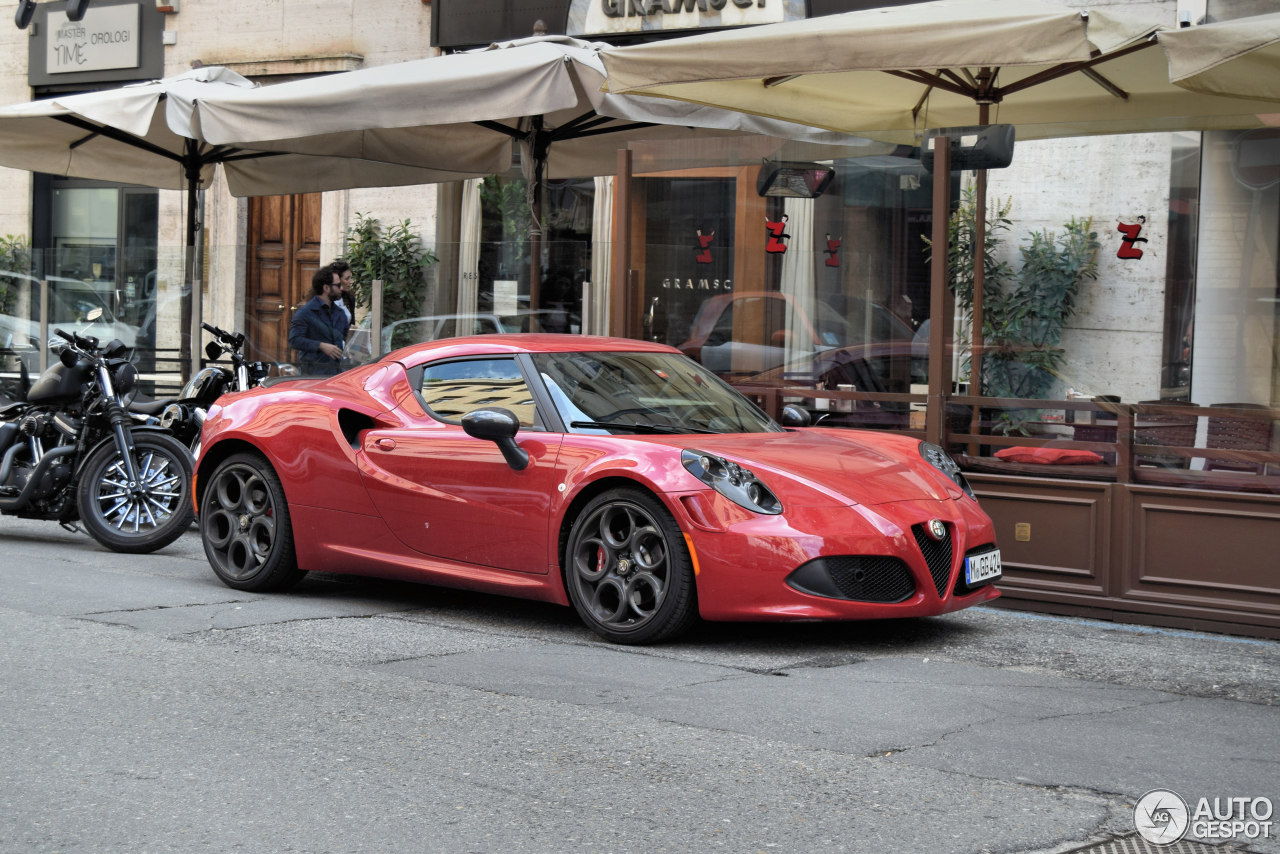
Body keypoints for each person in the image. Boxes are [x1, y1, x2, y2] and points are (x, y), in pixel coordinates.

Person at [289, 265, 349, 376]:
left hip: (336, 375)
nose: (341, 288)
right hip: (312, 376)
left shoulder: (340, 313)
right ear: (326, 288)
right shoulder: (305, 312)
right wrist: (321, 345)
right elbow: (295, 340)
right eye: (337, 285)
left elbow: (346, 340)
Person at [329, 258, 356, 326]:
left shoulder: (350, 297)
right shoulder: (324, 299)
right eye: (347, 279)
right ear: (337, 279)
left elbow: (352, 324)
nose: (351, 282)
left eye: (350, 278)